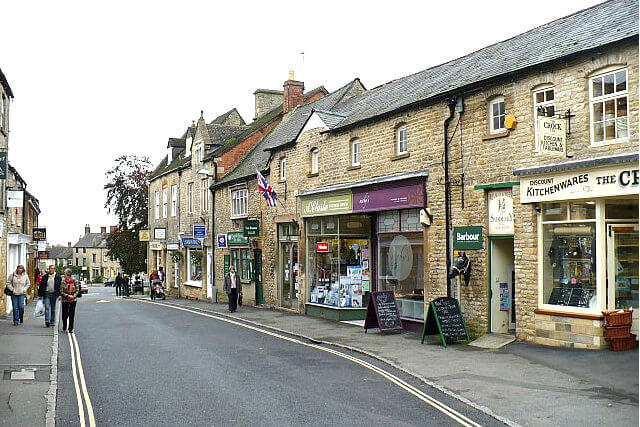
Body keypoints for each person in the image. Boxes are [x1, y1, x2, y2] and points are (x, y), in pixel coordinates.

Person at [60, 269, 79, 333]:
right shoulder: (63, 282)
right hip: (65, 300)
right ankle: (64, 325)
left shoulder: (75, 281)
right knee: (64, 314)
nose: (64, 275)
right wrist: (67, 296)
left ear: (68, 274)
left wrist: (73, 296)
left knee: (71, 314)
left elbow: (77, 290)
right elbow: (61, 291)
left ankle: (70, 328)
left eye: (64, 274)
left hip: (73, 300)